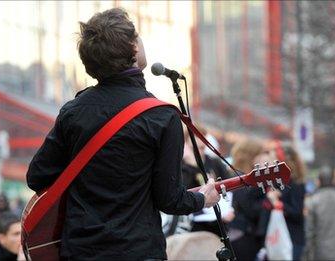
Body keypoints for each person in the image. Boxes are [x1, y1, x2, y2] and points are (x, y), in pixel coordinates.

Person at [25, 8, 220, 260]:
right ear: (133, 48)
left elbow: (37, 176)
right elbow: (169, 200)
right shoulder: (162, 117)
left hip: (80, 251)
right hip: (139, 251)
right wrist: (202, 200)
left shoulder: (73, 112)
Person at [181, 125, 234, 237]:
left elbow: (228, 186)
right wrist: (193, 166)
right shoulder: (182, 166)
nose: (199, 152)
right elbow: (183, 191)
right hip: (192, 225)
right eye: (194, 148)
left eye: (202, 148)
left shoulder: (214, 163)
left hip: (217, 223)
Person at [262, 142, 306, 260]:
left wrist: (277, 203)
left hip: (291, 238)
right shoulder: (275, 181)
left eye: (273, 159)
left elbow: (297, 212)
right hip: (276, 235)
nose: (270, 163)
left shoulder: (296, 183)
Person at [228, 139, 266, 261]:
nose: (263, 159)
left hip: (246, 234)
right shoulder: (238, 177)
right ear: (251, 156)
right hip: (241, 236)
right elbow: (248, 207)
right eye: (260, 155)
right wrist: (267, 202)